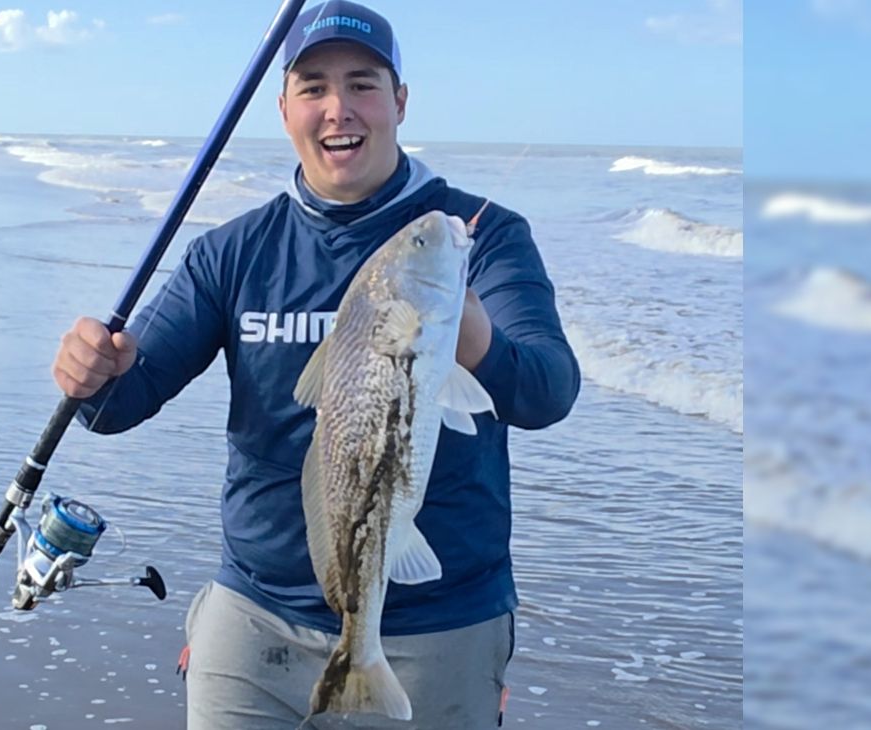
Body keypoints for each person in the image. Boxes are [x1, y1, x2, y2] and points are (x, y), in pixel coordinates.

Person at [51, 2, 579, 727]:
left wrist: (473, 337)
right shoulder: (231, 252)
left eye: (363, 84)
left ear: (399, 101)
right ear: (285, 110)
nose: (339, 109)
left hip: (441, 622)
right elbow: (117, 405)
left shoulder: (475, 241)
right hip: (256, 614)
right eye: (313, 88)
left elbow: (548, 391)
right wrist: (91, 373)